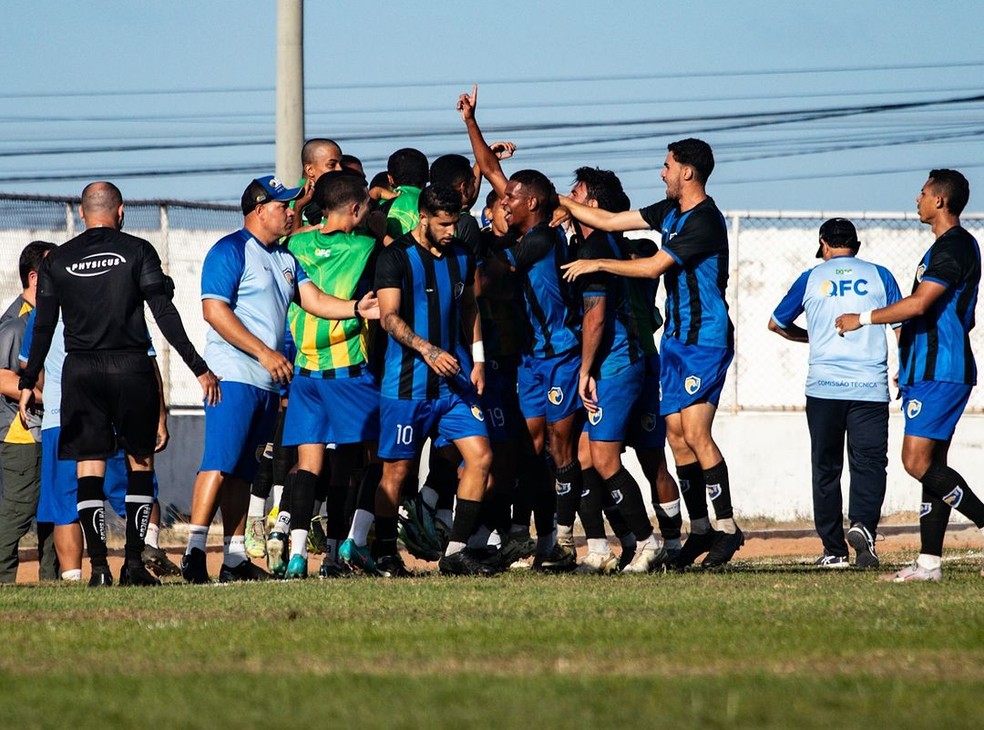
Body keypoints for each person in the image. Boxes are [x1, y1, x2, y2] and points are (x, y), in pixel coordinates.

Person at [18, 181, 220, 587]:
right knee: (140, 461)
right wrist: (198, 366)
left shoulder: (59, 260)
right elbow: (164, 313)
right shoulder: (138, 249)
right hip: (131, 367)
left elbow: (43, 325)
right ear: (121, 211)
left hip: (81, 372)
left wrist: (27, 380)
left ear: (81, 213)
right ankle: (132, 564)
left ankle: (97, 570)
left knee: (88, 466)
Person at [180, 175, 378, 584]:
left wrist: (358, 307)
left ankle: (234, 558)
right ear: (258, 209)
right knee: (218, 462)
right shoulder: (230, 249)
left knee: (241, 472)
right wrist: (265, 353)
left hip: (267, 382)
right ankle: (194, 552)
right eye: (283, 206)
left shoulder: (286, 259)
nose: (291, 212)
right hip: (233, 376)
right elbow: (214, 312)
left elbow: (315, 301)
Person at [560, 137, 745, 569]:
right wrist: (561, 202)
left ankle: (727, 527)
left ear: (687, 172)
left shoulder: (706, 221)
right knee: (677, 438)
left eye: (667, 166)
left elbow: (652, 266)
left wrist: (598, 264)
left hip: (706, 339)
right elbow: (609, 220)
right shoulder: (670, 212)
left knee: (696, 435)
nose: (661, 173)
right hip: (678, 340)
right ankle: (699, 529)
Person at [339, 184, 495, 576]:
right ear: (423, 217)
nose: (451, 230)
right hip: (407, 386)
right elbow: (389, 317)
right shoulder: (396, 257)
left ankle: (456, 551)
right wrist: (428, 350)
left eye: (455, 222)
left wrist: (476, 360)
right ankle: (386, 551)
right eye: (443, 223)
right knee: (396, 473)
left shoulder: (461, 254)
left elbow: (470, 306)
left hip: (454, 383)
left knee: (481, 457)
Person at [836, 169, 984, 582]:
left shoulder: (954, 247)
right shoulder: (942, 248)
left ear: (939, 200)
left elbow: (919, 305)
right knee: (934, 465)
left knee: (915, 462)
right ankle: (929, 563)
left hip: (942, 371)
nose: (916, 199)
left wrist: (861, 318)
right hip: (928, 369)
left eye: (922, 193)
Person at [458, 85, 582, 571]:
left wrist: (457, 276)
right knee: (528, 450)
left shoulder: (541, 240)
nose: (502, 200)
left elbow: (489, 280)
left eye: (510, 197)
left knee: (557, 449)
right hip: (531, 358)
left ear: (529, 201)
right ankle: (529, 536)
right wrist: (471, 122)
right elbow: (491, 170)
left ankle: (560, 539)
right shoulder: (524, 221)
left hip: (560, 354)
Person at [770, 218, 901, 568]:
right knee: (870, 463)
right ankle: (863, 529)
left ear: (824, 245)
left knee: (826, 467)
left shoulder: (811, 278)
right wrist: (904, 369)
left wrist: (809, 337)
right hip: (870, 388)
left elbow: (776, 323)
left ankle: (834, 550)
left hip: (824, 387)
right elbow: (901, 325)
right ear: (855, 246)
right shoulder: (880, 275)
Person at [279, 170, 382, 579]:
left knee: (308, 466)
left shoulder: (293, 243)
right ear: (355, 210)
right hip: (349, 371)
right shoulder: (368, 249)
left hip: (305, 372)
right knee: (355, 463)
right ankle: (336, 555)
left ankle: (296, 556)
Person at [569, 169, 668, 574]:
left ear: (591, 205)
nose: (566, 198)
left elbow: (595, 320)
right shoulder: (604, 242)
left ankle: (649, 542)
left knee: (605, 457)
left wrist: (585, 370)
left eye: (574, 192)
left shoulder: (596, 249)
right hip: (626, 359)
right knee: (585, 455)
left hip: (615, 363)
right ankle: (605, 547)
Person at [0, 241, 56, 582]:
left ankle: (54, 579)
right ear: (34, 278)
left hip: (47, 430)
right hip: (20, 433)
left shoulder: (49, 317)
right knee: (19, 511)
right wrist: (47, 397)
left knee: (52, 508)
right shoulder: (16, 323)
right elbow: (4, 377)